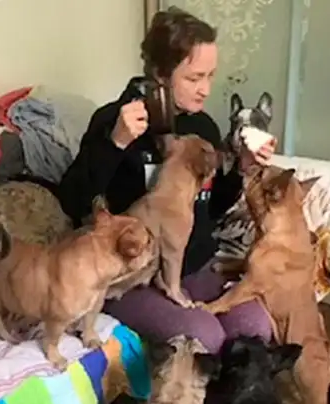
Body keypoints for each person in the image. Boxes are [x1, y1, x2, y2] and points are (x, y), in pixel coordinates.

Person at [57, 7, 275, 354]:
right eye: (193, 78)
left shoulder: (202, 127)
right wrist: (115, 144)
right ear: (160, 73)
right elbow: (72, 200)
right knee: (204, 340)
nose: (205, 90)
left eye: (210, 76)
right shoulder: (114, 120)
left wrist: (241, 168)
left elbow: (213, 207)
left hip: (193, 265)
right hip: (132, 276)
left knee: (257, 329)